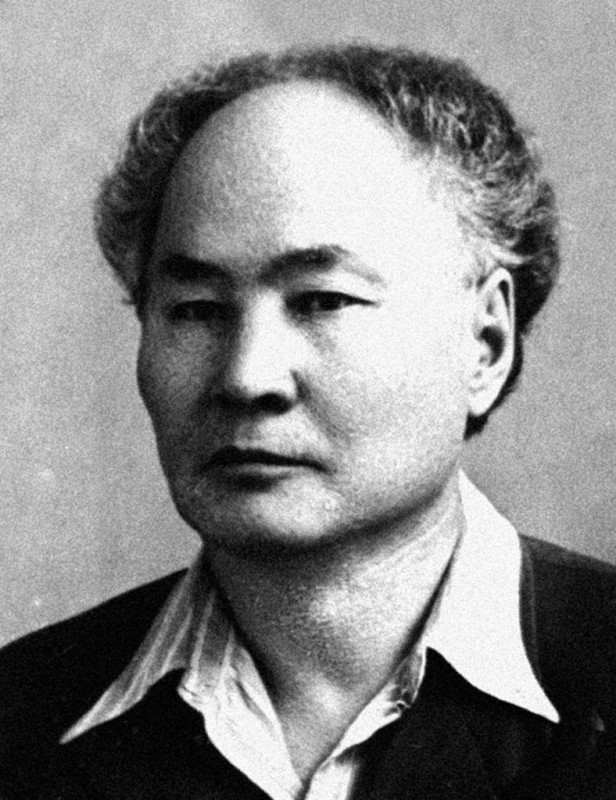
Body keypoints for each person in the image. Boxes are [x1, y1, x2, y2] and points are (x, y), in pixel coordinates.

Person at [1, 44, 615, 800]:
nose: (246, 377)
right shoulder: (19, 722)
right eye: (195, 309)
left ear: (486, 341)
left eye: (323, 300)